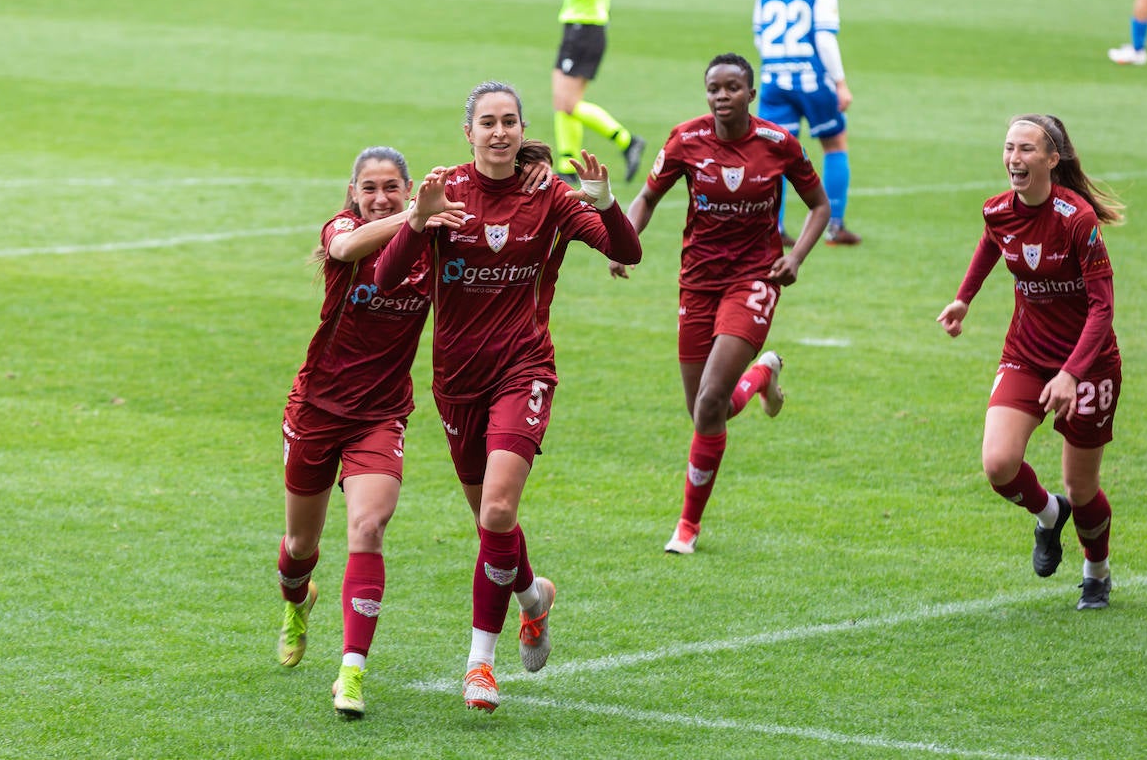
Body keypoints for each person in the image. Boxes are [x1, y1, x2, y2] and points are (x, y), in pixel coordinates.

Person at [375, 81, 642, 714]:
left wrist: (603, 202)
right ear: (468, 133)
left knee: (497, 511)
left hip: (524, 370)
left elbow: (626, 250)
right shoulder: (446, 193)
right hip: (456, 382)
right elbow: (386, 278)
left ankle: (479, 665)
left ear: (523, 131)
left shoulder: (548, 195)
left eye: (510, 122)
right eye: (488, 122)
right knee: (490, 522)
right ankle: (533, 599)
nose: (500, 132)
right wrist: (416, 220)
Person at [274, 146, 548, 719]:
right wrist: (417, 215)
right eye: (369, 189)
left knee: (369, 526)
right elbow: (348, 247)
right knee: (301, 547)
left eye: (392, 188)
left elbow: (494, 208)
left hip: (381, 414)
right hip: (316, 410)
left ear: (407, 187)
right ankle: (297, 603)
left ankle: (351, 673)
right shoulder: (343, 229)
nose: (380, 198)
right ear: (354, 193)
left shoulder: (432, 241)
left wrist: (535, 174)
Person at [609, 52, 830, 555]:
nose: (722, 96)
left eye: (733, 87)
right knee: (705, 412)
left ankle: (687, 527)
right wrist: (622, 242)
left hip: (754, 280)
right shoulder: (685, 139)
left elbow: (819, 206)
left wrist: (795, 257)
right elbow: (645, 197)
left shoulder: (779, 144)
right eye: (714, 88)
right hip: (697, 282)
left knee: (709, 401)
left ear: (751, 94)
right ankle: (762, 376)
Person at [936, 115, 1125, 611]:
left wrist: (1072, 373)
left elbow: (1103, 308)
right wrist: (964, 299)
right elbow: (991, 245)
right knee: (999, 464)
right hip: (1026, 354)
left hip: (1087, 364)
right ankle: (1047, 516)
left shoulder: (1075, 218)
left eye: (1025, 150)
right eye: (1008, 149)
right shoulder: (997, 210)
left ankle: (1097, 572)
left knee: (1082, 489)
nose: (1014, 159)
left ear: (1051, 159)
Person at [509, 0, 647, 183]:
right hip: (574, 29)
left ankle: (627, 141)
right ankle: (567, 165)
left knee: (569, 103)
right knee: (561, 100)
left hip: (587, 30)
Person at [753, 0, 861, 246]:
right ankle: (834, 226)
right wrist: (840, 83)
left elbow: (759, 37)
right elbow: (825, 39)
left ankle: (775, 227)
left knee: (775, 154)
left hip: (774, 81)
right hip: (812, 81)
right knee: (834, 144)